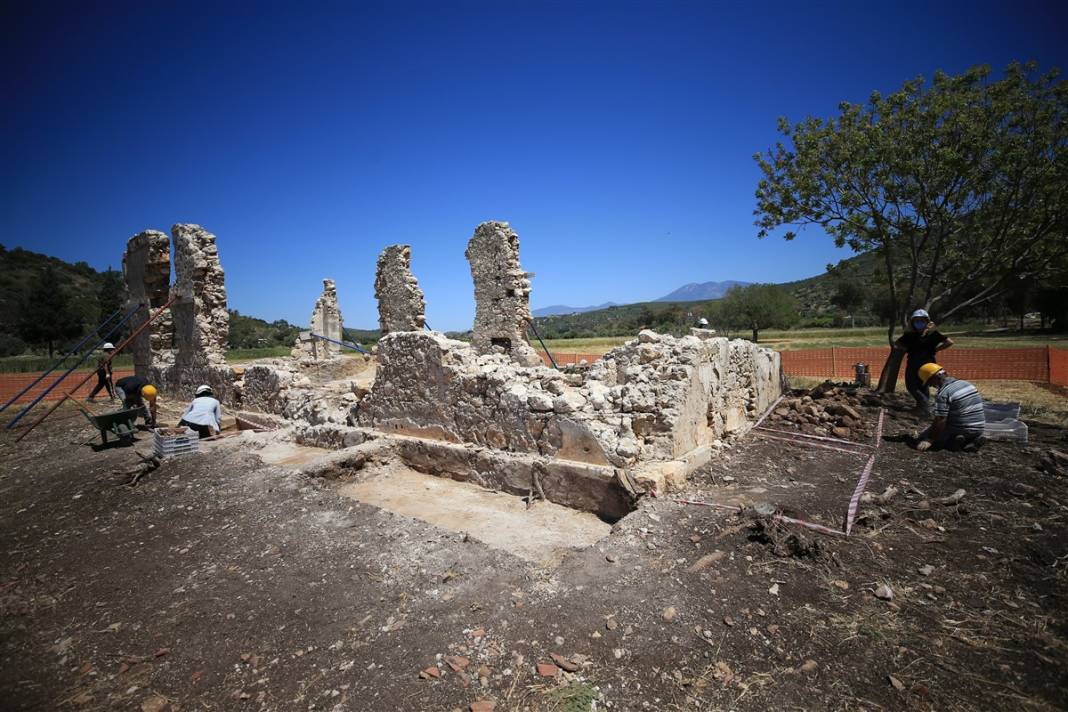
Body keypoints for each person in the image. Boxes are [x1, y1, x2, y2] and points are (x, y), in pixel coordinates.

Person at [913, 363, 986, 452]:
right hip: (979, 428)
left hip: (961, 428)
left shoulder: (944, 393)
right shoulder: (967, 384)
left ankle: (953, 441)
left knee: (925, 436)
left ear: (935, 378)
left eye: (929, 382)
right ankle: (972, 440)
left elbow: (941, 420)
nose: (930, 386)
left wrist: (929, 439)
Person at [894, 309, 954, 410]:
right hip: (914, 362)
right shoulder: (910, 335)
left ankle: (925, 406)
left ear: (927, 321)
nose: (919, 323)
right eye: (916, 321)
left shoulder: (933, 334)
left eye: (922, 320)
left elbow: (949, 342)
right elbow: (898, 343)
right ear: (912, 322)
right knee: (913, 386)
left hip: (928, 365)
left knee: (919, 386)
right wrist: (906, 349)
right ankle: (922, 407)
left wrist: (936, 349)